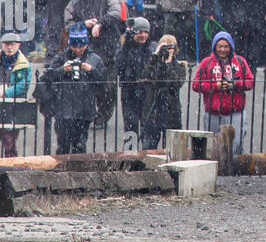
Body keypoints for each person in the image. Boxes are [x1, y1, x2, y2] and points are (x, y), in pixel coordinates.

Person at [43, 25, 105, 154]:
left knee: (80, 146)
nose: (78, 49)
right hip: (63, 109)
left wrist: (91, 70)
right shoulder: (61, 57)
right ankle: (61, 172)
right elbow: (47, 77)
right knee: (62, 147)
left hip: (84, 109)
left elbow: (103, 83)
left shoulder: (95, 59)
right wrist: (62, 70)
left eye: (81, 46)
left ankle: (78, 172)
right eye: (74, 46)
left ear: (86, 44)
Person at [192, 32, 253, 147]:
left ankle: (232, 166)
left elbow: (250, 82)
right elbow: (196, 84)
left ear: (231, 47)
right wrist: (215, 86)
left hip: (236, 112)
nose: (223, 49)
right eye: (220, 46)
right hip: (213, 113)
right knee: (213, 147)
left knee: (235, 146)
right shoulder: (206, 62)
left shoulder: (240, 61)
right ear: (215, 47)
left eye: (226, 46)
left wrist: (235, 84)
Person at [141, 34, 186, 152]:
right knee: (148, 146)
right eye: (164, 46)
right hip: (153, 109)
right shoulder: (154, 63)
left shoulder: (180, 66)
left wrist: (169, 62)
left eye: (170, 47)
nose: (166, 50)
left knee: (172, 147)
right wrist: (156, 54)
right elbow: (146, 76)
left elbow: (175, 83)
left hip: (172, 110)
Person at [115, 18, 154, 150]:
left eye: (146, 32)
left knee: (147, 126)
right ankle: (129, 156)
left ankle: (146, 155)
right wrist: (126, 46)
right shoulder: (124, 49)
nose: (143, 35)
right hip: (129, 93)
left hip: (147, 93)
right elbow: (119, 67)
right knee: (130, 126)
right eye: (140, 32)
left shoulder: (152, 48)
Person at [0, 29, 31, 157]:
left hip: (12, 107)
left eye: (12, 44)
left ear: (18, 45)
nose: (9, 47)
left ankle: (8, 170)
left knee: (10, 142)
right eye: (6, 44)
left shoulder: (23, 64)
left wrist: (5, 91)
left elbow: (23, 86)